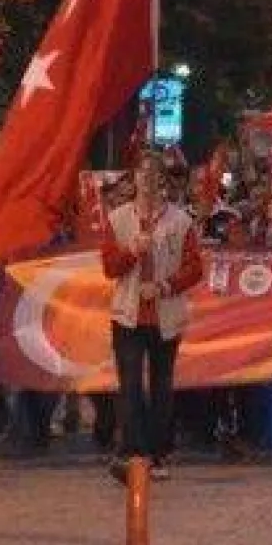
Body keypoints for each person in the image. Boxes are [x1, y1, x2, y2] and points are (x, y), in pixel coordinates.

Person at [100, 151, 205, 483]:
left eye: (152, 175)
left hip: (165, 315)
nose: (146, 181)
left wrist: (164, 286)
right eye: (140, 174)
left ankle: (158, 451)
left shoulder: (180, 221)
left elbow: (194, 268)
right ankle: (134, 452)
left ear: (161, 179)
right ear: (134, 178)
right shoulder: (118, 218)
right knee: (129, 385)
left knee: (162, 387)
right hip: (127, 314)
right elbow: (108, 267)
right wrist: (132, 251)